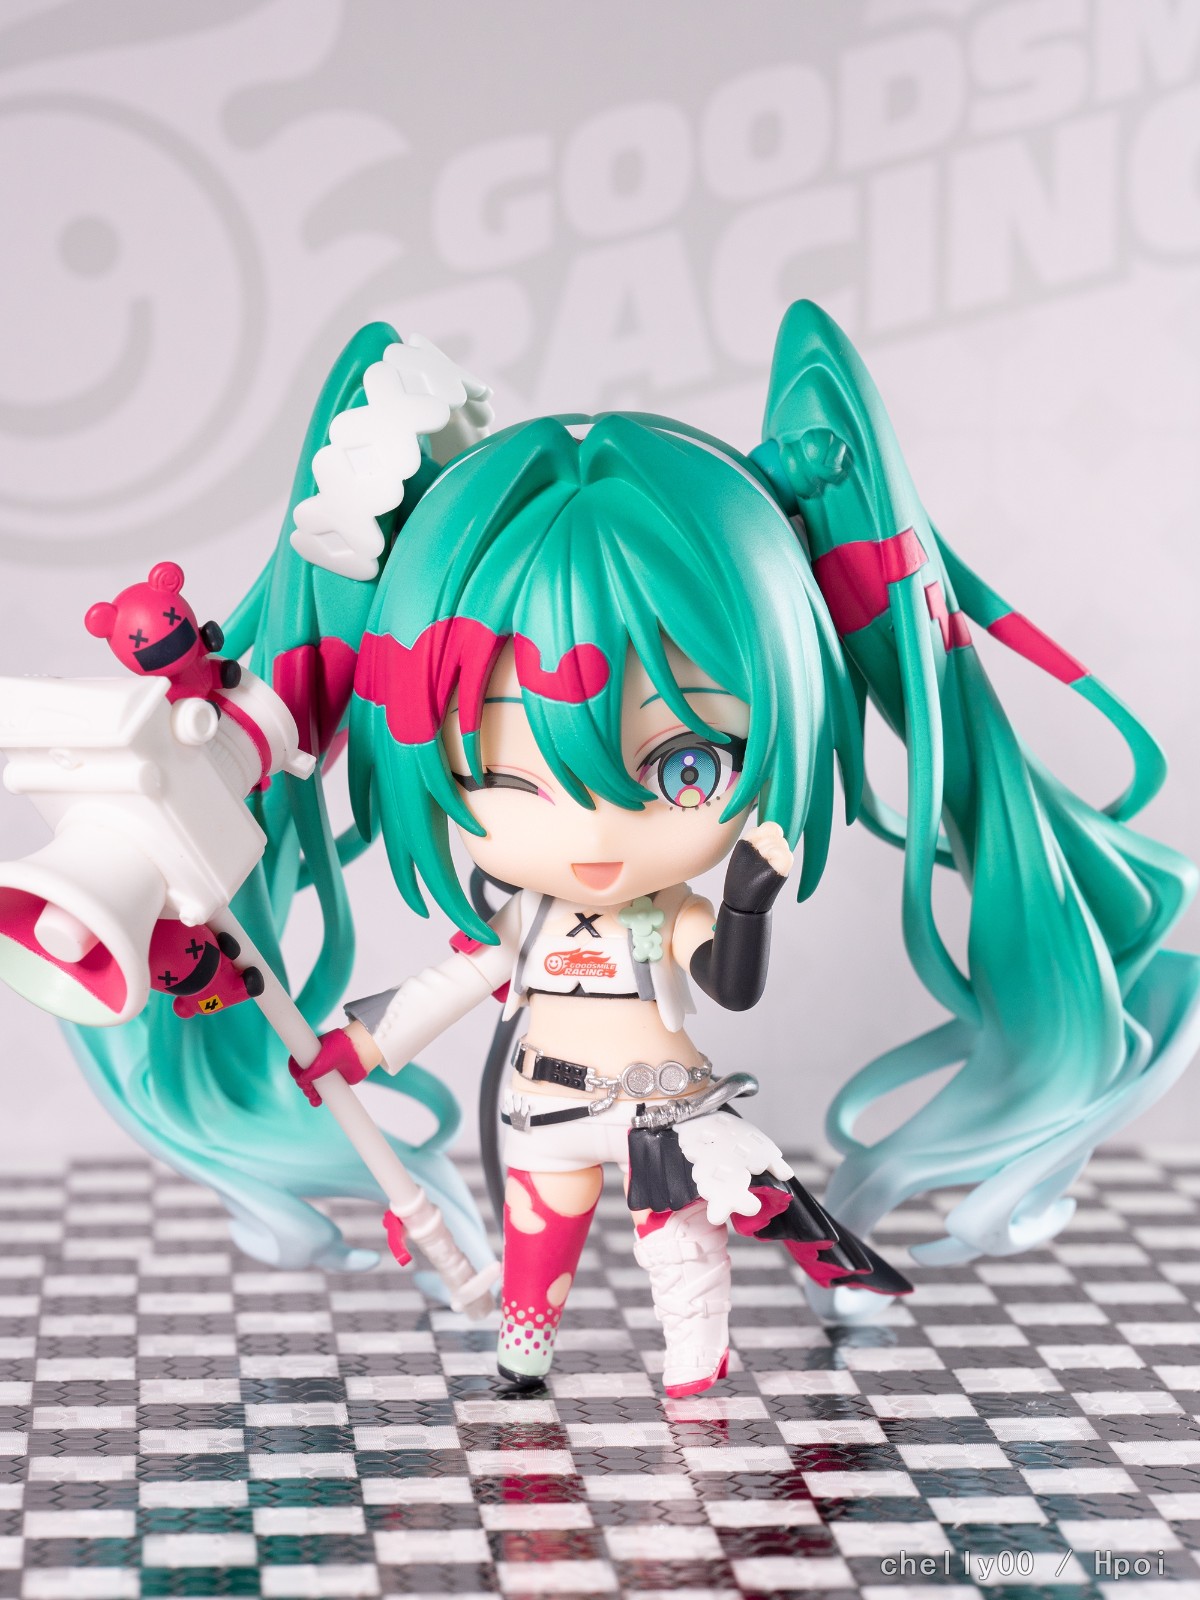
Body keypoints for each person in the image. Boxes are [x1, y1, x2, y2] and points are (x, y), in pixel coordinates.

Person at [69, 301, 1200, 1395]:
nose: (596, 831)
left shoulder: (667, 914)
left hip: (663, 1106)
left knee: (684, 1256)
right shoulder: (522, 922)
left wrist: (744, 902)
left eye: (684, 768)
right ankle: (527, 1355)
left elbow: (729, 984)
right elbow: (447, 986)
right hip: (541, 1110)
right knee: (537, 1254)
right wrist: (353, 1051)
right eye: (501, 772)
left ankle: (702, 1358)